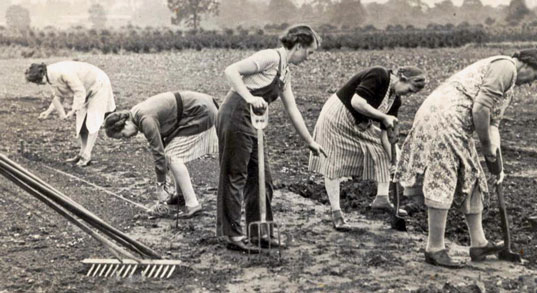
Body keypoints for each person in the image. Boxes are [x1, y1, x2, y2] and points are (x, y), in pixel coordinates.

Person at [395, 49, 537, 268]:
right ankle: (434, 248)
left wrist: (497, 163)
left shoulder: (508, 84)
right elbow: (480, 109)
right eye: (535, 76)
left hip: (456, 124)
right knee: (443, 179)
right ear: (528, 64)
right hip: (443, 119)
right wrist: (486, 147)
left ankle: (479, 243)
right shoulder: (506, 67)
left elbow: (493, 123)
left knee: (474, 177)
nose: (531, 83)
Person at [216, 24, 326, 252]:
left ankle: (260, 233)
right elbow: (231, 70)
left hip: (253, 122)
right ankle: (232, 234)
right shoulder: (270, 58)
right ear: (297, 46)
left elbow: (292, 109)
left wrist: (310, 142)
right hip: (235, 115)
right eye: (309, 52)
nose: (309, 57)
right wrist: (249, 98)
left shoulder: (284, 72)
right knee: (235, 175)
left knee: (262, 178)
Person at [308, 66, 426, 231]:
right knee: (333, 162)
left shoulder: (395, 100)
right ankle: (337, 213)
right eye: (410, 89)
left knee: (381, 149)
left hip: (360, 124)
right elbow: (357, 102)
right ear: (402, 78)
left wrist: (396, 158)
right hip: (336, 117)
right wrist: (383, 117)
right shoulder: (379, 75)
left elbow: (386, 135)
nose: (409, 94)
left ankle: (382, 198)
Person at [104, 90, 218, 218]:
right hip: (200, 107)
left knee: (172, 156)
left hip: (202, 112)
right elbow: (162, 146)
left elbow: (159, 154)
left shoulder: (145, 120)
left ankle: (192, 204)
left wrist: (160, 185)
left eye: (123, 135)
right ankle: (180, 196)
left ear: (125, 124)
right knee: (171, 153)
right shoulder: (135, 114)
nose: (126, 139)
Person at [25, 61, 116, 167]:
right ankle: (82, 153)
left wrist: (73, 110)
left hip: (98, 84)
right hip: (85, 90)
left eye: (38, 81)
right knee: (81, 122)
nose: (38, 84)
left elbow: (79, 91)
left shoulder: (63, 73)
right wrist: (48, 112)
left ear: (41, 74)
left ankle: (87, 155)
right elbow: (58, 96)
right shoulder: (50, 77)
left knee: (93, 120)